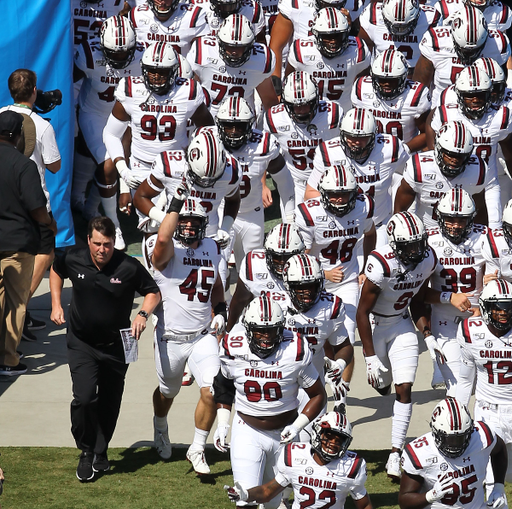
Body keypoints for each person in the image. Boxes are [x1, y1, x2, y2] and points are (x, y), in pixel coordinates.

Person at [49, 216, 161, 482]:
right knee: (85, 398)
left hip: (117, 345)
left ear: (114, 243)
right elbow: (56, 270)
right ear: (88, 240)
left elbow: (153, 292)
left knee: (110, 401)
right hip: (81, 342)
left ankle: (101, 451)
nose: (102, 250)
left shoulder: (129, 267)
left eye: (108, 244)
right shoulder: (73, 257)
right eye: (97, 243)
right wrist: (56, 303)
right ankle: (86, 450)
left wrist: (142, 314)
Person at [212, 295, 327, 509]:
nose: (266, 336)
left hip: (284, 434)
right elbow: (223, 386)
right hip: (247, 429)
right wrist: (222, 423)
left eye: (271, 329)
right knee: (244, 498)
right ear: (248, 328)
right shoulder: (233, 346)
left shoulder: (295, 348)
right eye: (259, 330)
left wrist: (297, 427)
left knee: (273, 501)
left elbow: (318, 395)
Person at [149, 194, 227, 475]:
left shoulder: (211, 247)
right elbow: (161, 243)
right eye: (184, 222)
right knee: (168, 391)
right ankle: (160, 426)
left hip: (202, 336)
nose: (190, 228)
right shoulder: (163, 245)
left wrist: (220, 311)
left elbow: (216, 284)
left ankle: (197, 448)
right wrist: (174, 207)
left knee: (211, 389)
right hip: (170, 337)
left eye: (195, 223)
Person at [356, 211, 437, 480]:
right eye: (409, 245)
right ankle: (381, 378)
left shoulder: (427, 259)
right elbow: (362, 313)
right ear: (394, 243)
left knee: (404, 388)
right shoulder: (381, 263)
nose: (416, 250)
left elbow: (417, 300)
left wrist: (427, 334)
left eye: (418, 243)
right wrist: (369, 357)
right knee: (382, 387)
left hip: (402, 325)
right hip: (376, 326)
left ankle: (394, 453)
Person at [102, 41, 214, 193]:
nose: (156, 76)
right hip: (141, 166)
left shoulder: (187, 92)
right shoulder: (130, 90)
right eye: (151, 70)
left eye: (163, 72)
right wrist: (122, 169)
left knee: (175, 215)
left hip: (177, 167)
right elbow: (111, 133)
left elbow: (208, 131)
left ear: (174, 71)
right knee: (148, 216)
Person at [0, 69, 61, 342]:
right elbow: (55, 166)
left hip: (6, 200)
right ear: (34, 90)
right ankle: (18, 310)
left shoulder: (1, 115)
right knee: (45, 253)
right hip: (35, 204)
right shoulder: (42, 125)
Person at [73, 15, 143, 250]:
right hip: (94, 114)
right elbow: (68, 79)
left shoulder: (143, 57)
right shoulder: (88, 54)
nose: (121, 58)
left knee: (113, 166)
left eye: (125, 53)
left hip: (126, 116)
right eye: (114, 53)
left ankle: (92, 208)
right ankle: (113, 222)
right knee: (109, 164)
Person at [0, 111, 56, 376]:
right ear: (17, 136)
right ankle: (9, 361)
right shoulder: (23, 166)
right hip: (16, 246)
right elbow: (37, 207)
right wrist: (48, 223)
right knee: (15, 304)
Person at [224, 411, 373, 509]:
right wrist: (245, 494)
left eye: (339, 440)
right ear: (317, 434)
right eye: (329, 436)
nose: (333, 443)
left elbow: (364, 504)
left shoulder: (351, 467)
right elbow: (268, 491)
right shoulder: (295, 455)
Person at [427, 64, 512, 230]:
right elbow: (430, 124)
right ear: (459, 95)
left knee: (493, 229)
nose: (476, 100)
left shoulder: (500, 117)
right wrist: (433, 153)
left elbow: (509, 153)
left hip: (488, 182)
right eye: (470, 95)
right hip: (457, 177)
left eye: (481, 94)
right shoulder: (447, 114)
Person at [418, 189, 486, 393]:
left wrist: (486, 301)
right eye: (450, 219)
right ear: (439, 217)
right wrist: (449, 297)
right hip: (444, 320)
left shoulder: (485, 238)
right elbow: (418, 294)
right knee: (457, 384)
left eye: (462, 220)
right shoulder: (428, 241)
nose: (456, 225)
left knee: (482, 385)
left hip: (480, 316)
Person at [215, 96, 295, 269]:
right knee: (219, 269)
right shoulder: (211, 142)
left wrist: (289, 215)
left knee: (252, 271)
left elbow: (284, 179)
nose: (234, 131)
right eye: (229, 125)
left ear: (249, 125)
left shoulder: (263, 145)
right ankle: (225, 297)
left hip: (252, 214)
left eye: (240, 126)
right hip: (220, 212)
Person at [399, 397, 508, 509]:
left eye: (460, 438)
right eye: (449, 439)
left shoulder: (481, 436)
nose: (455, 445)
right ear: (435, 432)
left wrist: (498, 488)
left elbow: (499, 449)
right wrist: (430, 496)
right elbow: (404, 501)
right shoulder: (421, 453)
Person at [456, 278, 512, 493]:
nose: (504, 313)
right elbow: (465, 379)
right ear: (486, 307)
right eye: (498, 308)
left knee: (507, 475)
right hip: (488, 411)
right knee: (490, 483)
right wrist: (460, 414)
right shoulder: (470, 331)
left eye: (508, 307)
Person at [263, 70, 342, 206]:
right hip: (293, 182)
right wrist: (262, 183)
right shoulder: (274, 119)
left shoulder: (332, 114)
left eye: (306, 104)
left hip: (329, 180)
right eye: (295, 106)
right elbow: (264, 152)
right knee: (291, 224)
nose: (301, 110)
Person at [394, 120, 490, 229]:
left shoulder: (477, 170)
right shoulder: (419, 168)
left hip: (459, 231)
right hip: (426, 229)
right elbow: (400, 210)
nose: (455, 160)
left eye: (461, 156)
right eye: (450, 154)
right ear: (438, 149)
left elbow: (479, 208)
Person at [413, 4, 510, 107]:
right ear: (452, 35)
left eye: (475, 49)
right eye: (465, 50)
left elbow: (500, 86)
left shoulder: (498, 45)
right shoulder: (436, 42)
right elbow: (421, 88)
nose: (470, 54)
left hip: (482, 110)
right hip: (442, 108)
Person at [188, 14, 279, 118]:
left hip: (243, 120)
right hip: (208, 116)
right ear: (220, 43)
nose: (234, 52)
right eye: (229, 47)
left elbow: (269, 99)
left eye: (240, 47)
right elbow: (190, 93)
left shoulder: (262, 60)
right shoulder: (203, 52)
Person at [285, 7, 370, 114]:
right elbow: (288, 83)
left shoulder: (358, 50)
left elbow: (364, 86)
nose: (333, 41)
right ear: (316, 35)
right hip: (310, 113)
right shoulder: (301, 51)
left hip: (345, 114)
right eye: (327, 37)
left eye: (337, 36)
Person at [226, 222, 305, 331]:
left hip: (295, 326)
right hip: (260, 327)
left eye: (287, 257)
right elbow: (239, 300)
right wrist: (228, 330)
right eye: (277, 257)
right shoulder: (254, 263)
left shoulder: (307, 269)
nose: (282, 263)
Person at [351, 49, 431, 154]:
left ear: (403, 77)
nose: (386, 84)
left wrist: (404, 149)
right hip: (369, 154)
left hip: (403, 156)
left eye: (393, 80)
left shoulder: (416, 95)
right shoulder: (362, 89)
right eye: (382, 80)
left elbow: (426, 133)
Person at [358, 0, 437, 75]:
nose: (400, 31)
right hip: (382, 76)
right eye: (395, 27)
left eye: (405, 26)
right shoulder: (371, 16)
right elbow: (364, 57)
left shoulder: (431, 19)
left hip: (417, 74)